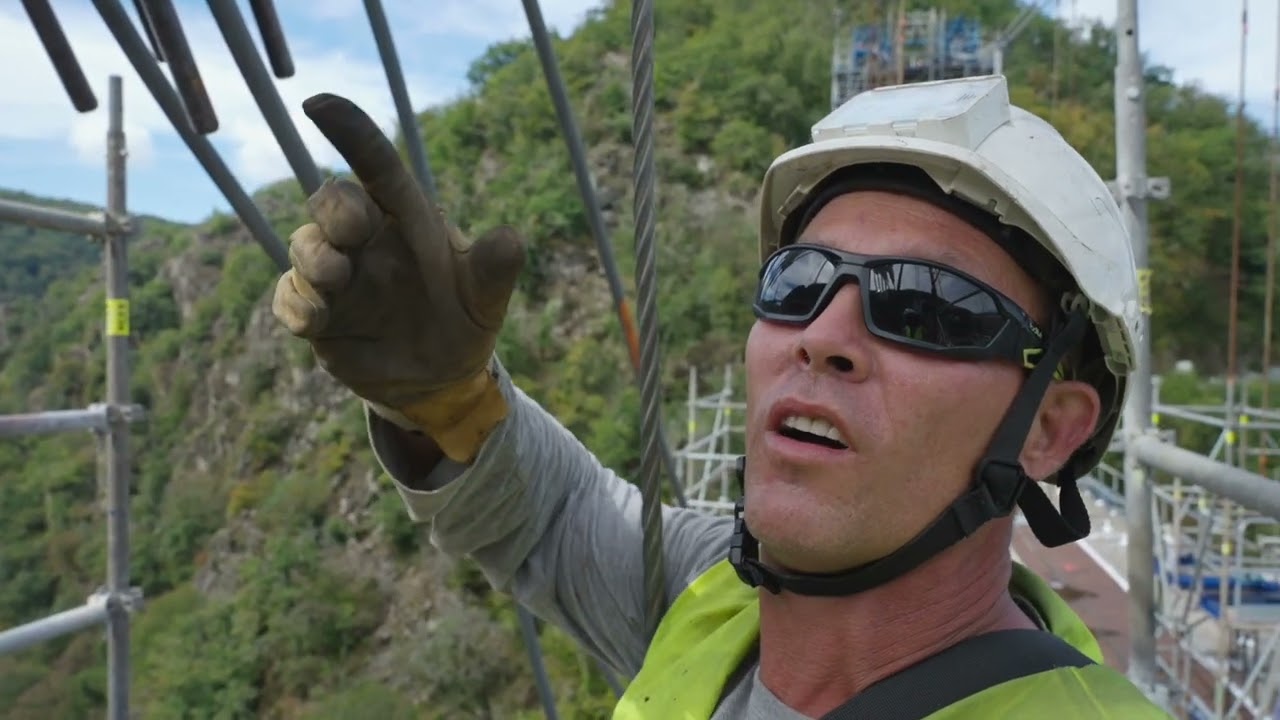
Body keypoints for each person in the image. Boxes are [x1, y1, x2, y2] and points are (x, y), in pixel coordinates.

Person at [272, 75, 1173, 718]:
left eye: (926, 307)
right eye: (798, 281)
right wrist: (449, 401)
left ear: (1049, 430)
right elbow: (553, 515)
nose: (823, 334)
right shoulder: (713, 597)